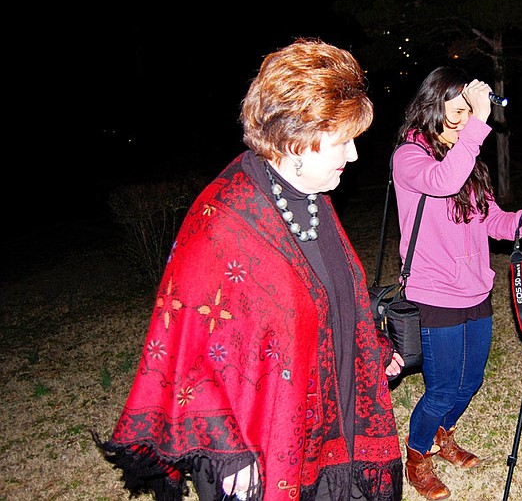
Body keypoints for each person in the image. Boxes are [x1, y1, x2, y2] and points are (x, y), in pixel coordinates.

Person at [93, 38, 405, 501]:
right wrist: (226, 448)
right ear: (296, 141)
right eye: (344, 142)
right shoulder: (223, 221)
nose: (354, 156)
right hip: (262, 441)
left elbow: (329, 296)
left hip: (330, 423)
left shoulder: (314, 200)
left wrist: (371, 348)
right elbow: (188, 343)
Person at [391, 66, 522, 500]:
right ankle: (417, 458)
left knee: (470, 382)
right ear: (432, 105)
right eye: (459, 110)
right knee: (442, 388)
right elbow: (442, 180)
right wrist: (478, 126)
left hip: (476, 288)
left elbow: (492, 219)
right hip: (434, 291)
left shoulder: (463, 158)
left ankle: (441, 435)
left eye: (470, 112)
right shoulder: (409, 157)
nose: (466, 120)